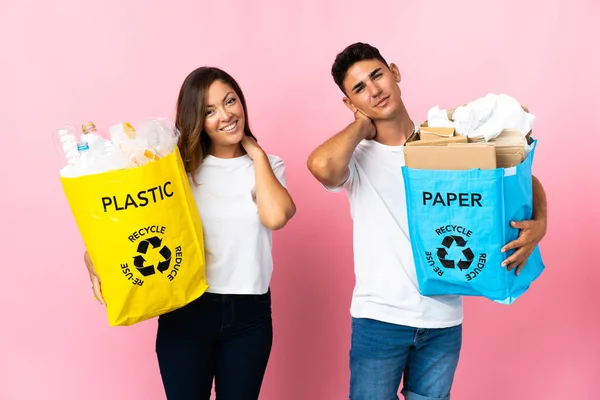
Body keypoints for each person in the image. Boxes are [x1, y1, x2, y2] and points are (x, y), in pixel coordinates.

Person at [306, 42, 547, 400]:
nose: (374, 90)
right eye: (359, 89)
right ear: (350, 103)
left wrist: (540, 223)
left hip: (442, 320)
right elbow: (321, 166)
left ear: (394, 72)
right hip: (380, 319)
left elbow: (520, 176)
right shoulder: (355, 157)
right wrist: (361, 127)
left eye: (377, 75)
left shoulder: (443, 143)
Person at [84, 66, 296, 400]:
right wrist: (91, 255)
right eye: (210, 111)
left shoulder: (267, 164)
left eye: (230, 101)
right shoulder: (175, 171)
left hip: (249, 316)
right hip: (186, 311)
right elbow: (129, 225)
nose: (226, 115)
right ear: (196, 118)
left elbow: (276, 216)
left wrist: (254, 153)